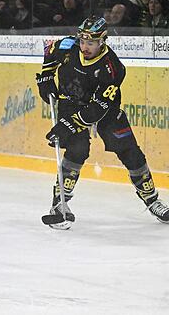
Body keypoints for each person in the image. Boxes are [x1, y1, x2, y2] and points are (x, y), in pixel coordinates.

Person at [36, 17, 169, 229]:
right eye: (82, 40)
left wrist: (67, 126)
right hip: (71, 103)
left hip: (105, 111)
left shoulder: (113, 68)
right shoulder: (69, 46)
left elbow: (98, 109)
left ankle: (152, 200)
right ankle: (59, 204)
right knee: (78, 149)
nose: (85, 46)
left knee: (131, 152)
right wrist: (45, 78)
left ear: (103, 41)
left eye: (91, 42)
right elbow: (49, 52)